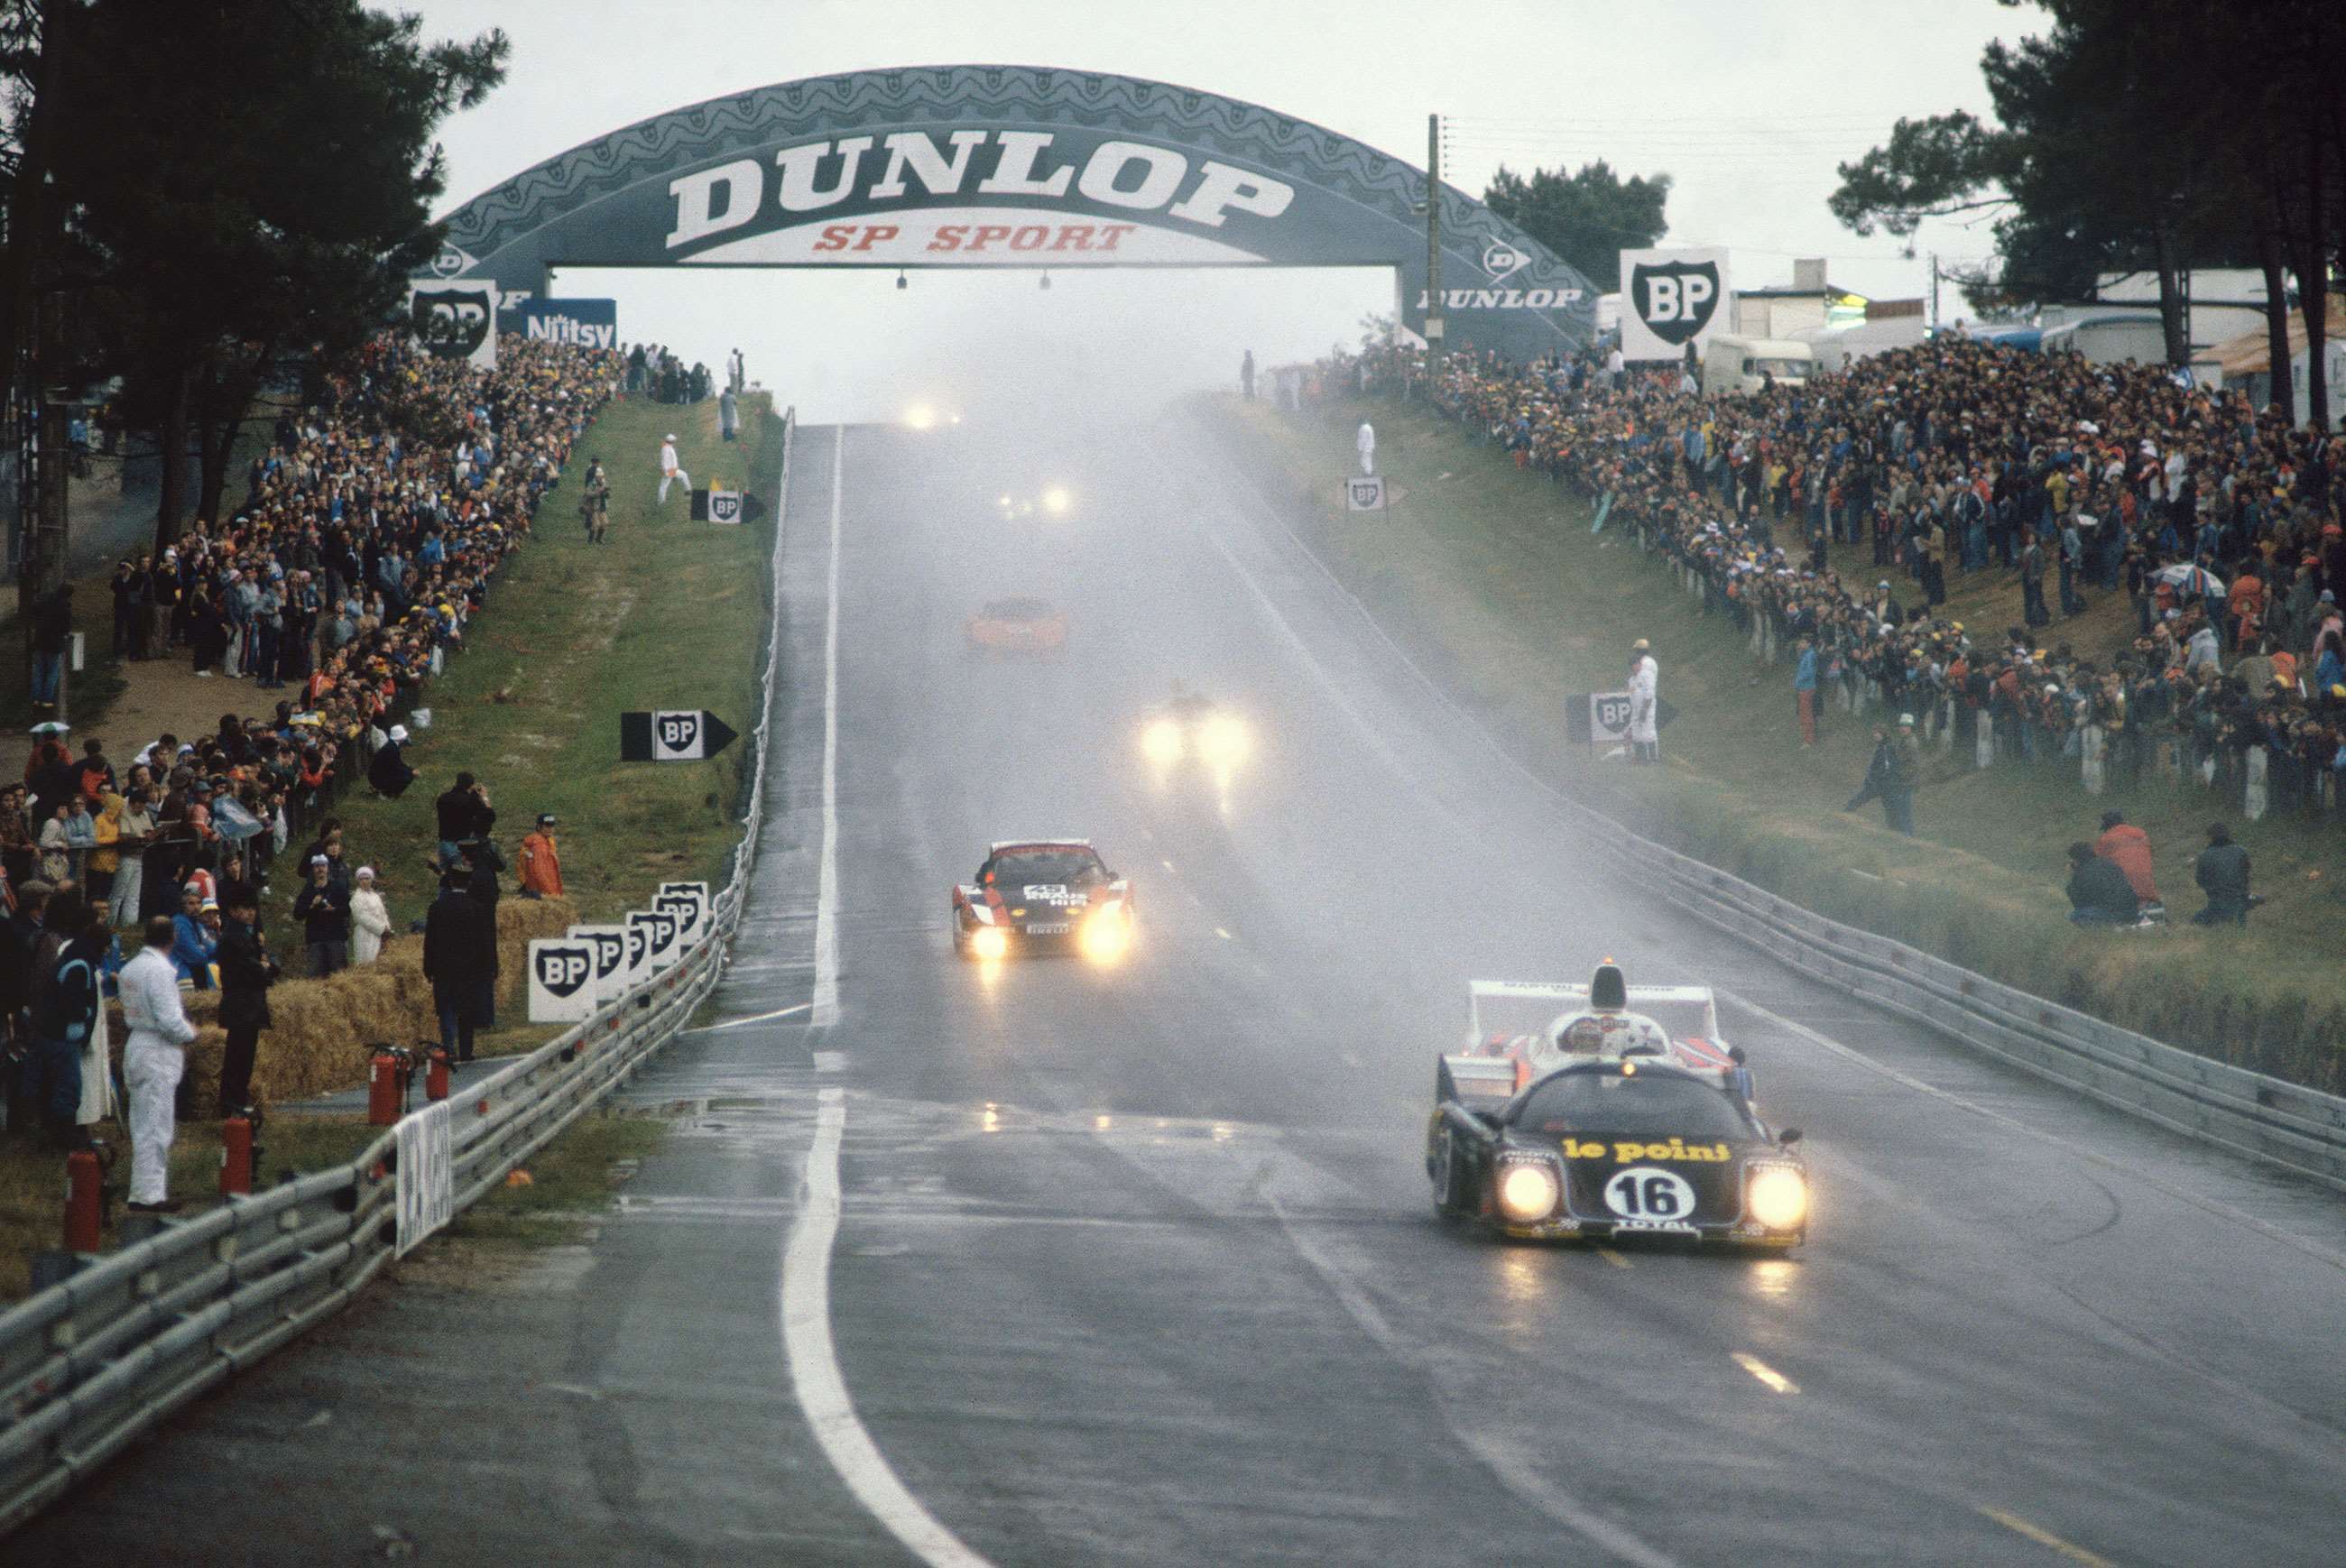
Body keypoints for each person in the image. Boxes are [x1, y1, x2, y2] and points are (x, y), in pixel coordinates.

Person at [120, 915, 197, 1212]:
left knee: (142, 1122)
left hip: (137, 1043)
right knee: (157, 1124)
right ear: (173, 938)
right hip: (157, 1048)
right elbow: (168, 1019)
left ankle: (143, 1189)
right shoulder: (161, 970)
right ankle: (150, 1194)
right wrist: (190, 1033)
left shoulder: (131, 967)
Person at [29, 892, 103, 1148]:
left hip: (54, 1027)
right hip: (59, 1030)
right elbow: (65, 995)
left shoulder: (67, 949)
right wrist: (84, 1016)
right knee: (65, 1085)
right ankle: (62, 1136)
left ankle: (61, 1133)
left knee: (62, 1084)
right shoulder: (67, 953)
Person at [214, 881, 278, 1117]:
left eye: (253, 908)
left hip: (248, 1003)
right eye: (245, 908)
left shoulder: (246, 935)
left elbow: (263, 966)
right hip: (241, 1003)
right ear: (233, 911)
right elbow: (253, 969)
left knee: (244, 1058)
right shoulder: (233, 937)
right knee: (237, 1058)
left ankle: (237, 1101)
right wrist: (266, 969)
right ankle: (232, 1103)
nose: (250, 913)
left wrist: (266, 968)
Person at [423, 864, 493, 1065]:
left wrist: (428, 968)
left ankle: (448, 1048)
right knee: (466, 1010)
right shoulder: (477, 908)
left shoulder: (436, 908)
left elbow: (430, 941)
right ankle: (466, 1050)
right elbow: (484, 943)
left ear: (451, 883)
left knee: (445, 1009)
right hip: (469, 969)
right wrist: (486, 968)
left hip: (443, 968)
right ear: (469, 884)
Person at [2092, 810, 2161, 918]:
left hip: (2124, 891)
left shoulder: (2105, 839)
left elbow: (2095, 864)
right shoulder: (2141, 834)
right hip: (2148, 888)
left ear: (2106, 826)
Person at [292, 853, 352, 974]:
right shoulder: (308, 890)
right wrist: (312, 906)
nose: (320, 869)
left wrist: (334, 909)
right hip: (315, 939)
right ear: (313, 869)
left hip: (336, 938)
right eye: (317, 866)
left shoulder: (338, 887)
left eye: (323, 866)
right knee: (316, 977)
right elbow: (297, 914)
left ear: (327, 868)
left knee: (339, 975)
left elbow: (348, 909)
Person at [2191, 822, 2254, 926]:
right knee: (2238, 921)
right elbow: (2246, 873)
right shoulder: (2242, 852)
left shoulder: (2205, 856)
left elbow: (2200, 881)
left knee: (2195, 922)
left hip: (2217, 902)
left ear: (2210, 837)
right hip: (2240, 899)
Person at [2065, 842, 2142, 925]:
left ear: (2076, 859)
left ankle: (2107, 923)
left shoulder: (2081, 873)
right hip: (2132, 910)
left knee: (2075, 915)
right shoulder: (2109, 863)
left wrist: (2072, 875)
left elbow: (2079, 904)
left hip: (2112, 913)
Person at [435, 771, 494, 865]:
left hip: (444, 845)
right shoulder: (470, 801)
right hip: (461, 848)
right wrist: (484, 797)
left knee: (446, 877)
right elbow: (490, 815)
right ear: (471, 785)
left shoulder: (443, 798)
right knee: (462, 878)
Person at [171, 885, 218, 988]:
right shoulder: (179, 924)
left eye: (198, 903)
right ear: (183, 906)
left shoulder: (198, 924)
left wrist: (204, 950)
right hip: (180, 973)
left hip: (195, 972)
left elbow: (213, 948)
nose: (196, 907)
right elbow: (196, 956)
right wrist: (204, 951)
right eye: (191, 903)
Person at [1627, 639, 1660, 764]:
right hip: (1638, 705)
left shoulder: (1645, 667)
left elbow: (1649, 690)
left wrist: (1644, 709)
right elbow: (1632, 693)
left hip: (1647, 704)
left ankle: (1653, 758)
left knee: (1648, 732)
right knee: (1637, 733)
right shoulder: (1632, 679)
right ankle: (1642, 757)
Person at [349, 866, 390, 964]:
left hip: (379, 935)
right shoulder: (357, 897)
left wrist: (387, 928)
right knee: (366, 963)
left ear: (371, 880)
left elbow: (382, 914)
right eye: (361, 879)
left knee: (380, 963)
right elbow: (361, 917)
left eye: (367, 878)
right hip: (365, 935)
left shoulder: (375, 896)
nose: (364, 881)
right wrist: (381, 929)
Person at [519, 813, 563, 899]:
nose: (550, 829)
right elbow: (539, 873)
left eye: (552, 826)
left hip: (541, 889)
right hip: (543, 892)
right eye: (547, 826)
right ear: (539, 827)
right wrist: (551, 894)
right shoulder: (539, 845)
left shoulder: (547, 842)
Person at [367, 722, 416, 798]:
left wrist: (410, 769)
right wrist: (410, 771)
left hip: (376, 775)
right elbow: (396, 767)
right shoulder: (392, 749)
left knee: (406, 774)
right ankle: (386, 793)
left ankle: (387, 791)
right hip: (378, 777)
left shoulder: (392, 746)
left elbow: (398, 763)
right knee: (406, 777)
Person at [1794, 636, 1819, 746]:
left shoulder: (1810, 655)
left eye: (1803, 642)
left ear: (1809, 644)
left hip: (1807, 688)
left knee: (1806, 714)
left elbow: (1809, 672)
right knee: (1803, 713)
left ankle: (1809, 740)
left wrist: (1798, 681)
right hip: (1803, 687)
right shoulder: (1805, 654)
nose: (1800, 644)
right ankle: (1807, 738)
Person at [657, 432, 689, 505]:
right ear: (672, 441)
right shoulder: (666, 449)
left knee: (683, 475)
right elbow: (664, 461)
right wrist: (666, 472)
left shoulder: (667, 447)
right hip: (670, 471)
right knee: (664, 486)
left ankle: (660, 501)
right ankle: (660, 501)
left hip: (672, 470)